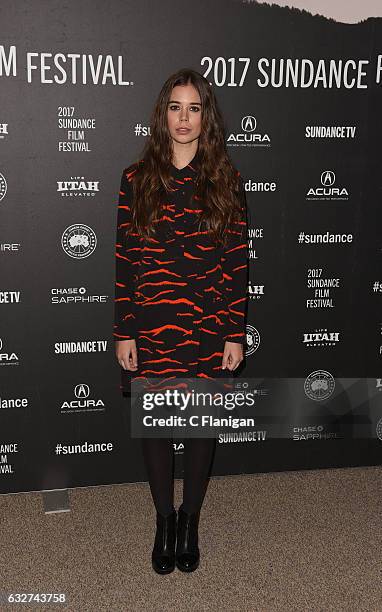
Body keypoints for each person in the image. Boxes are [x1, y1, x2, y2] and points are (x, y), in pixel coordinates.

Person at [113, 68, 249, 574]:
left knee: (198, 426)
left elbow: (237, 262)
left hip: (208, 323)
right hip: (151, 322)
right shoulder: (135, 179)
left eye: (194, 108)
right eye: (175, 106)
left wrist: (234, 332)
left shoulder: (226, 180)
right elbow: (125, 260)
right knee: (154, 425)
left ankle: (190, 519)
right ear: (162, 113)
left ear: (205, 116)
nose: (184, 118)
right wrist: (124, 329)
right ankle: (163, 519)